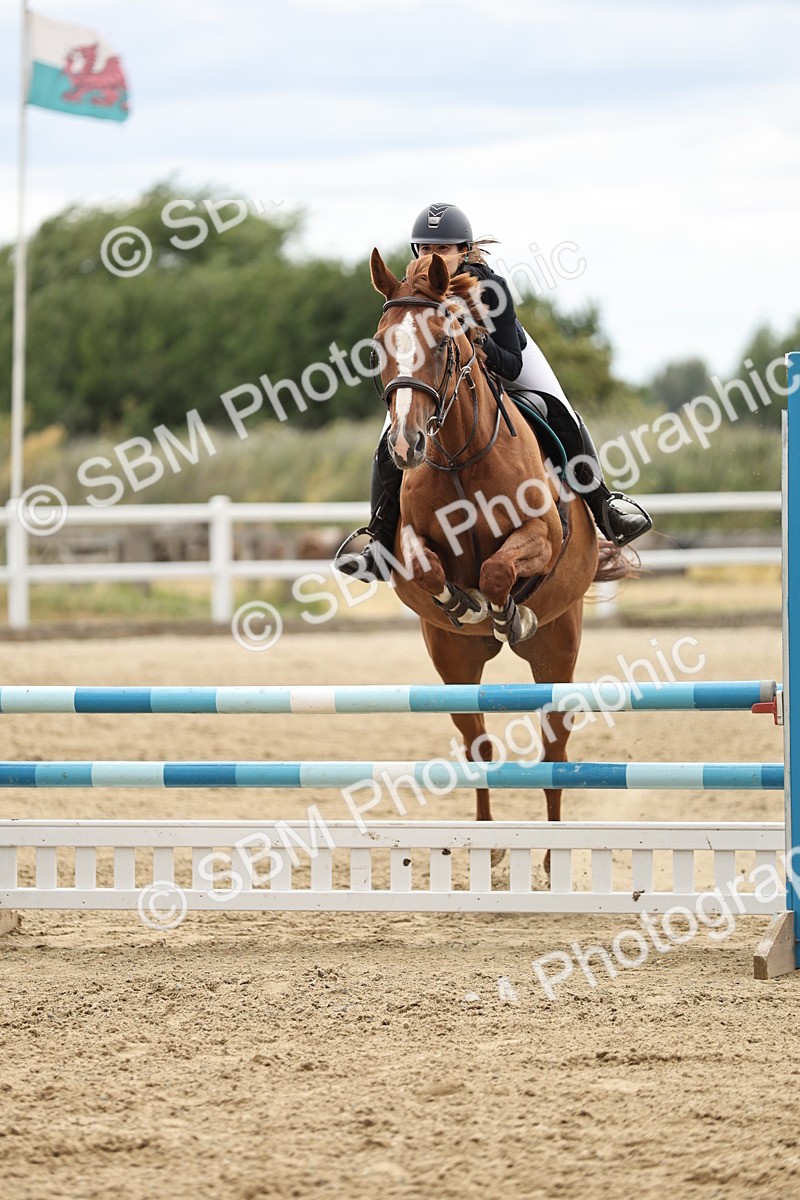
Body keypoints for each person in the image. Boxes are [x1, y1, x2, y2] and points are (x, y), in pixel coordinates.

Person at [336, 203, 652, 581]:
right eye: (423, 249)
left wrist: (470, 343)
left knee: (560, 410)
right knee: (389, 438)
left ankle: (605, 507)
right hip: (439, 378)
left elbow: (513, 365)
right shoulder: (413, 295)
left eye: (443, 249)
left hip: (507, 357)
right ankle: (379, 541)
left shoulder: (490, 288)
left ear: (464, 251)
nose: (431, 257)